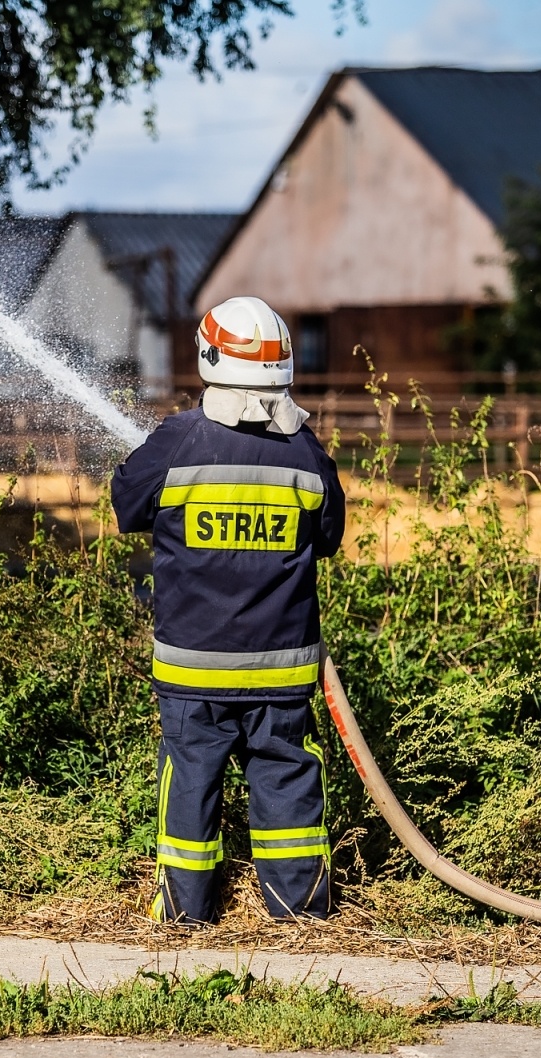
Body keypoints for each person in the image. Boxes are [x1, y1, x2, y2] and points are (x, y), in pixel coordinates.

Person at [111, 296, 346, 926]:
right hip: (281, 670)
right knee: (286, 776)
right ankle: (300, 911)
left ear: (210, 357)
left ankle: (184, 913)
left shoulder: (179, 440)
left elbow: (126, 503)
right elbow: (329, 536)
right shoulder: (305, 452)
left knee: (190, 779)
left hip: (193, 669)